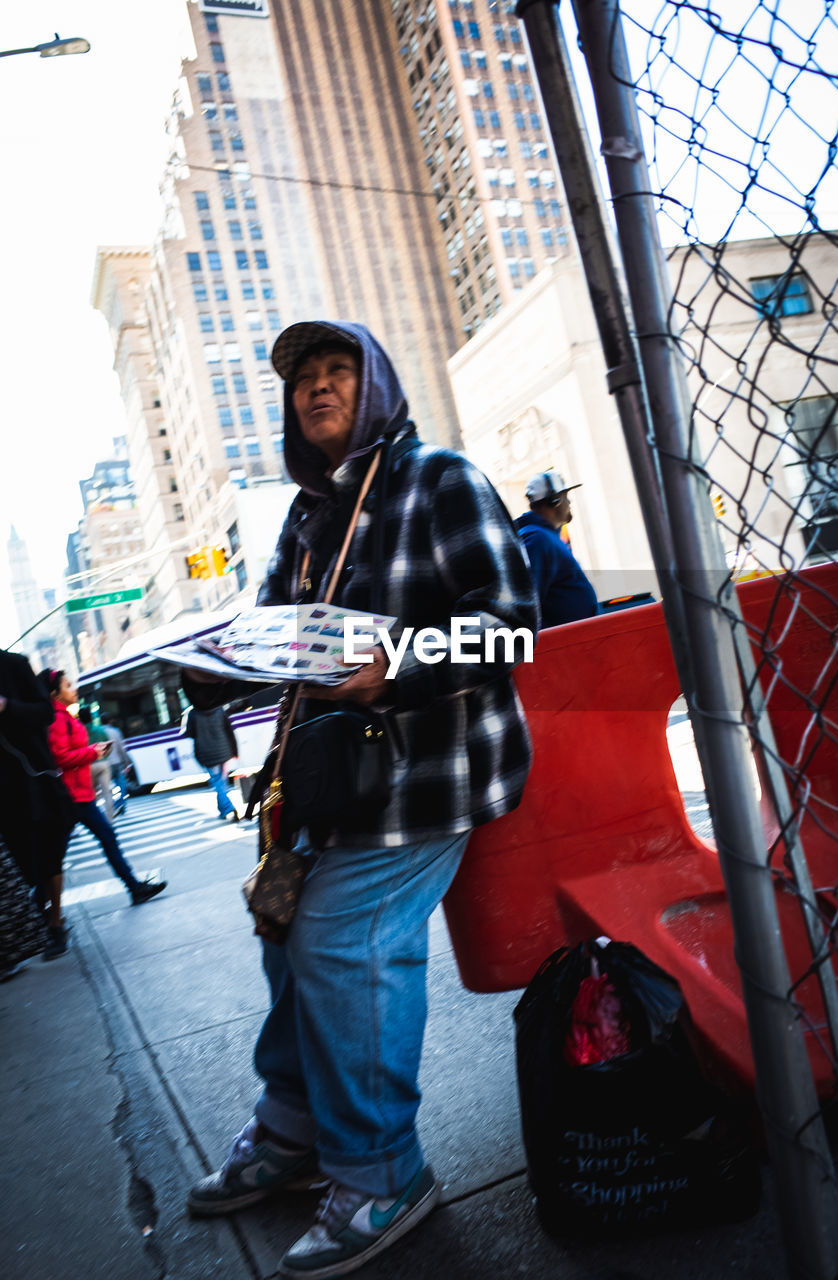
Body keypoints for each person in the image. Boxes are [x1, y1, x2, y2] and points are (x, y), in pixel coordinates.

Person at [184, 320, 537, 1278]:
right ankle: (294, 1134)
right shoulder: (306, 519)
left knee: (342, 940)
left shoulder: (442, 480)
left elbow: (513, 630)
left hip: (430, 773)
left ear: (374, 385)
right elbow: (275, 641)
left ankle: (384, 1173)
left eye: (337, 369)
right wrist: (216, 666)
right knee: (287, 933)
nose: (317, 388)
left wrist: (396, 668)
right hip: (326, 783)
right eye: (303, 378)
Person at [45, 671, 167, 907]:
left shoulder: (65, 717)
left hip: (81, 795)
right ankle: (38, 905)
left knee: (104, 839)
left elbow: (69, 752)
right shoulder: (58, 719)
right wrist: (93, 752)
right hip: (70, 798)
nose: (74, 688)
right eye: (68, 685)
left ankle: (134, 887)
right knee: (55, 858)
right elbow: (59, 757)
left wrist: (93, 749)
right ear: (54, 693)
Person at [0, 649, 75, 960]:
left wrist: (7, 706)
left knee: (48, 855)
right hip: (4, 789)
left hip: (33, 779)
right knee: (22, 862)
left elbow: (44, 712)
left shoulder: (13, 664)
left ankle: (55, 922)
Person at [513, 470, 600, 627]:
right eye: (565, 496)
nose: (569, 502)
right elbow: (528, 599)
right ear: (554, 501)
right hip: (562, 643)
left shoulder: (545, 536)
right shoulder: (537, 539)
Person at [183, 705, 240, 822]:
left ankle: (229, 807)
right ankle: (222, 810)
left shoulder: (193, 713)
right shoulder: (219, 709)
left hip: (206, 753)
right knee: (221, 781)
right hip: (223, 751)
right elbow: (229, 730)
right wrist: (235, 751)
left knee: (217, 781)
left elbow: (190, 733)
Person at [77, 706, 115, 822]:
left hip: (88, 766)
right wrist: (104, 756)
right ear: (91, 718)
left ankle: (97, 819)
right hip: (103, 764)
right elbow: (109, 746)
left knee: (92, 795)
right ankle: (110, 820)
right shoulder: (99, 730)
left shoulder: (79, 731)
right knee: (106, 792)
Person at [101, 714, 132, 814]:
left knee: (108, 786)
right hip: (117, 762)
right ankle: (121, 803)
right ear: (110, 721)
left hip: (105, 762)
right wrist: (127, 762)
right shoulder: (115, 731)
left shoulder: (99, 731)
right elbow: (121, 748)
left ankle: (114, 805)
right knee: (121, 783)